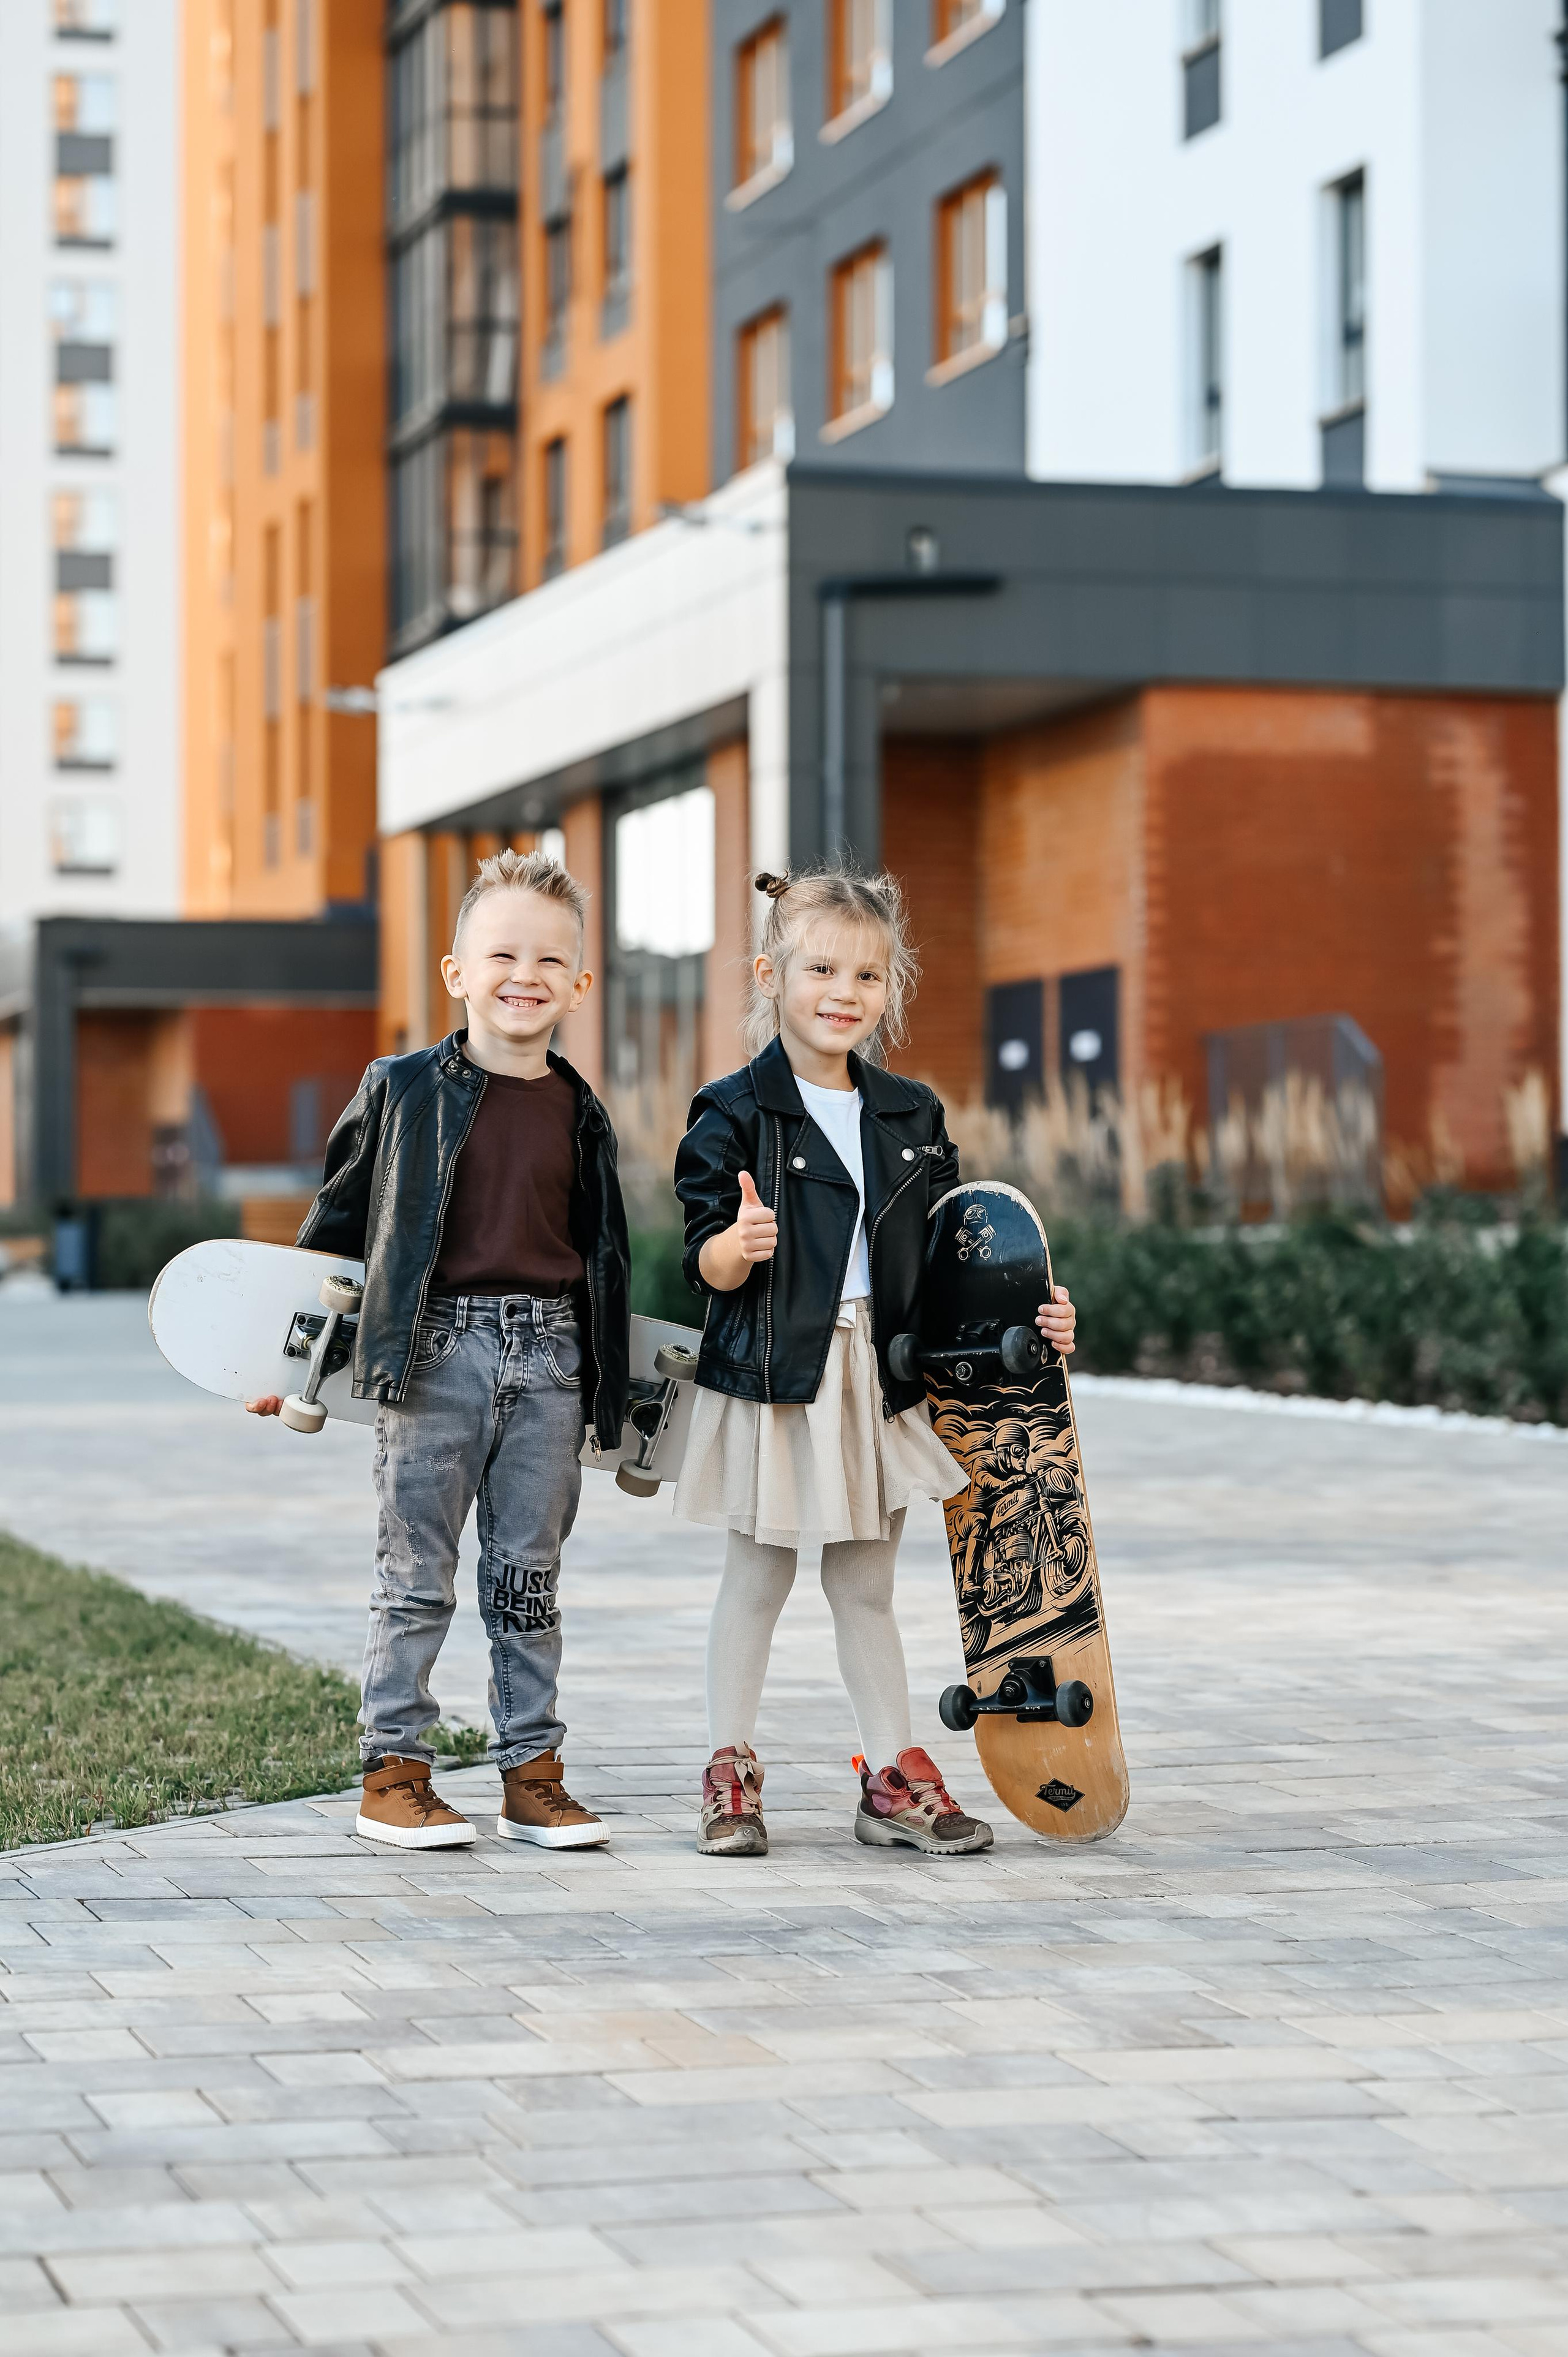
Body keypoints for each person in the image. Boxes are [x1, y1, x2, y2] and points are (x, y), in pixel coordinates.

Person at [673, 868, 1077, 1857]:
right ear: (773, 974)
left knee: (865, 1588)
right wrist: (740, 1247)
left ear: (888, 989)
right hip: (777, 1372)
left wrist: (1040, 1313)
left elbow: (951, 1256)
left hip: (878, 1376)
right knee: (758, 1578)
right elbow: (703, 1258)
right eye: (820, 968)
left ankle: (890, 1777)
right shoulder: (734, 1109)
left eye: (867, 973)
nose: (843, 991)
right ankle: (731, 1770)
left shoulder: (910, 1114)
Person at [246, 850, 630, 1853]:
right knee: (415, 1574)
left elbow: (607, 1265)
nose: (525, 974)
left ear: (580, 985)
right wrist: (279, 1364)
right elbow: (333, 1234)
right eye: (501, 953)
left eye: (551, 960)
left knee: (528, 1583)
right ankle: (394, 1774)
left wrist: (611, 1395)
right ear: (456, 970)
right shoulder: (403, 1088)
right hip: (434, 1357)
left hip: (550, 1361)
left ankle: (532, 1778)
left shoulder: (583, 1114)